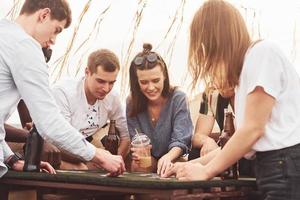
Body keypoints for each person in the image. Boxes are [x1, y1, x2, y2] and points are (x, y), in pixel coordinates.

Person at [165, 0, 300, 199]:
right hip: (270, 166)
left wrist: (206, 171)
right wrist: (188, 166)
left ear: (216, 40)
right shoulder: (246, 72)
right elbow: (233, 146)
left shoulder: (262, 53)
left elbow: (252, 130)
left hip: (284, 163)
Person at [0, 0, 125, 178]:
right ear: (43, 15)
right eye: (56, 30)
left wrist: (11, 159)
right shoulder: (26, 46)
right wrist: (97, 155)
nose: (53, 40)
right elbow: (48, 121)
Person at [52, 49, 130, 169]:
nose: (106, 88)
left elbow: (126, 136)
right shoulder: (63, 92)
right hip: (58, 152)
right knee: (82, 169)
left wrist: (114, 162)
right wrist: (97, 158)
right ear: (87, 72)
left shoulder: (112, 96)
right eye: (101, 81)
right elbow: (61, 140)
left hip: (91, 151)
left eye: (111, 83)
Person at [126, 43, 193, 176]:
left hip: (173, 158)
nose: (151, 87)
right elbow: (136, 138)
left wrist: (167, 157)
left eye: (156, 80)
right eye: (144, 82)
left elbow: (181, 140)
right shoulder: (131, 102)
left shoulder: (178, 98)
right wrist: (140, 152)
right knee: (138, 166)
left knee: (170, 168)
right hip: (148, 158)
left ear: (164, 77)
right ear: (137, 82)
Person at [188, 89, 255, 177]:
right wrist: (207, 141)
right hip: (227, 148)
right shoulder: (211, 93)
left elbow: (246, 140)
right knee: (195, 153)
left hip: (249, 150)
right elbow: (197, 136)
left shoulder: (251, 91)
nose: (219, 81)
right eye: (214, 76)